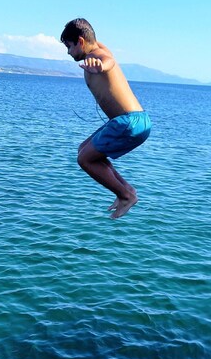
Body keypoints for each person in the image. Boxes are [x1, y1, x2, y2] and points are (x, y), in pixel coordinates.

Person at [60, 18, 152, 219]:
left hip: (129, 122)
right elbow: (98, 43)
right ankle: (126, 190)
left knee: (84, 159)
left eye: (69, 46)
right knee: (84, 150)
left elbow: (109, 62)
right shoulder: (98, 47)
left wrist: (100, 67)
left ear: (80, 42)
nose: (68, 52)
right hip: (130, 121)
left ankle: (125, 195)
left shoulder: (99, 56)